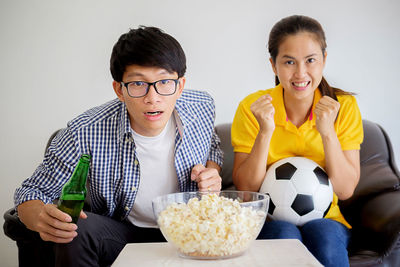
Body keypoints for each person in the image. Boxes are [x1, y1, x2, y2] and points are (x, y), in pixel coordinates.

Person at [14, 26, 223, 266]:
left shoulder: (202, 106)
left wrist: (212, 172)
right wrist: (40, 216)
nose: (153, 97)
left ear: (181, 85)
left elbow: (213, 147)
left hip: (191, 230)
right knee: (75, 227)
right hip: (123, 234)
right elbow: (30, 192)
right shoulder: (85, 131)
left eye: (165, 81)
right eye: (137, 84)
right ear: (119, 90)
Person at [231, 15, 363, 267]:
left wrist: (327, 132)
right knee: (284, 235)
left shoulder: (344, 107)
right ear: (273, 65)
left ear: (324, 60)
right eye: (289, 62)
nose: (300, 73)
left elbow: (345, 189)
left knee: (323, 235)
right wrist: (265, 131)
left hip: (328, 220)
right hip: (269, 220)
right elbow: (247, 189)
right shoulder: (253, 107)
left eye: (311, 60)